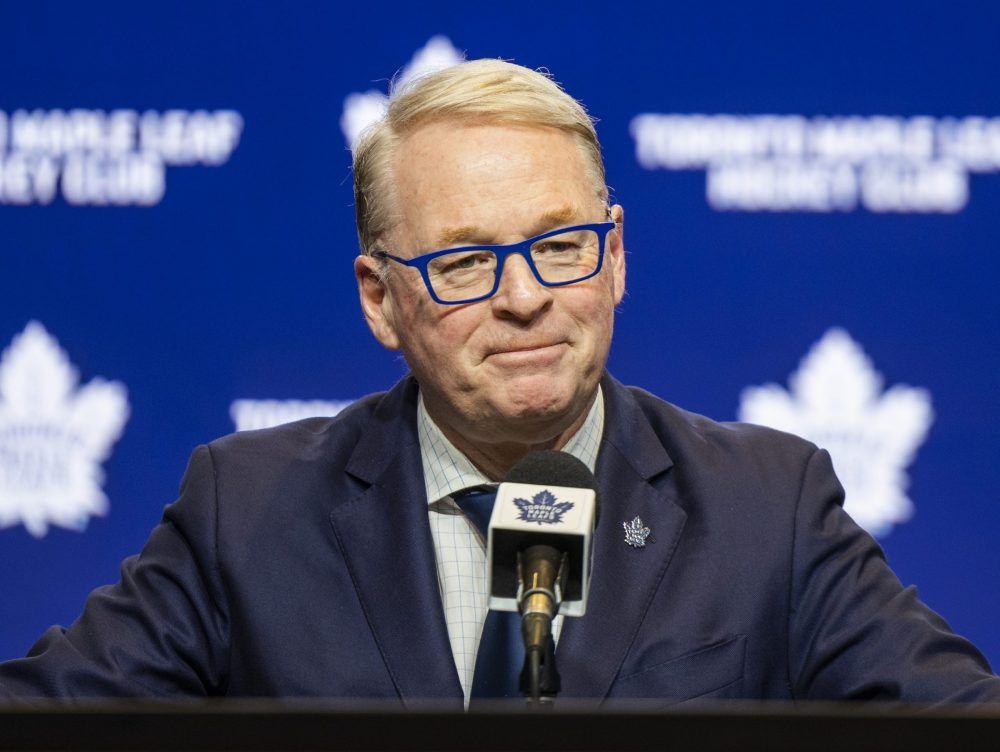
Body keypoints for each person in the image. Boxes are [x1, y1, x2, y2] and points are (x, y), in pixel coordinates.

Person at [1, 59, 998, 706]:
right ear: (379, 299)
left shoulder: (765, 505)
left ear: (615, 258)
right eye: (466, 261)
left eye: (560, 244)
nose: (525, 297)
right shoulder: (248, 508)